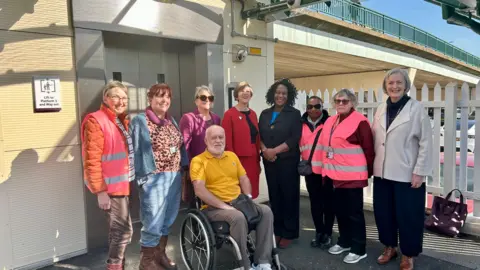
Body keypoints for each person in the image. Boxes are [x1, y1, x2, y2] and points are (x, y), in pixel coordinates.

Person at [372, 68, 433, 270]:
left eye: (399, 82)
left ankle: (408, 253)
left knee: (409, 216)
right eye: (390, 83)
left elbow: (426, 142)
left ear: (406, 85)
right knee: (384, 213)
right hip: (382, 172)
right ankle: (390, 247)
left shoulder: (416, 108)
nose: (394, 86)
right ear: (385, 86)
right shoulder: (380, 108)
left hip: (407, 173)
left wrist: (419, 172)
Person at [190, 125, 274, 270]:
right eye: (213, 138)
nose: (218, 141)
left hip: (238, 202)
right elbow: (199, 189)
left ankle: (262, 262)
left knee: (266, 211)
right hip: (213, 207)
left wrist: (247, 198)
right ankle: (243, 265)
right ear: (206, 140)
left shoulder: (232, 156)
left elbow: (244, 179)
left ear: (225, 139)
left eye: (221, 137)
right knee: (237, 217)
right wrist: (224, 206)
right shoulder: (198, 161)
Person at [130, 83, 189, 270]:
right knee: (153, 221)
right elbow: (136, 151)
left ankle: (159, 256)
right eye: (159, 96)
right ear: (150, 99)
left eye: (167, 97)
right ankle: (146, 263)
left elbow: (180, 147)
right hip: (154, 178)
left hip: (173, 177)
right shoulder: (140, 120)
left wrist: (184, 169)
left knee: (167, 220)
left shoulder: (172, 121)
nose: (164, 100)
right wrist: (143, 178)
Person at [81, 81, 134, 270]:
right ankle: (114, 266)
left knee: (118, 232)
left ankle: (119, 265)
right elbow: (91, 159)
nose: (121, 101)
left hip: (122, 186)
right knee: (123, 233)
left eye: (124, 98)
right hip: (110, 189)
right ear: (105, 98)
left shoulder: (120, 120)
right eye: (116, 96)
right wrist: (100, 191)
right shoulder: (96, 120)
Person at [319, 88, 374, 264]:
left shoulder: (360, 121)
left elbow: (369, 150)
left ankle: (359, 248)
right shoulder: (331, 120)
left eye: (345, 101)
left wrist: (368, 172)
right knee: (340, 212)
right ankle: (344, 241)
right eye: (338, 101)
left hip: (352, 176)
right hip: (333, 175)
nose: (340, 104)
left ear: (352, 103)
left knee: (354, 214)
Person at [258, 78, 302, 249]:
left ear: (288, 95)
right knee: (275, 196)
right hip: (269, 162)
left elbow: (294, 138)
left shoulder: (294, 113)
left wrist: (274, 151)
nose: (280, 96)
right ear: (272, 94)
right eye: (277, 92)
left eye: (284, 93)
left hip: (287, 162)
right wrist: (265, 150)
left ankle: (289, 232)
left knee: (289, 196)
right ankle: (277, 230)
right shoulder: (265, 113)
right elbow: (259, 136)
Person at [299, 96, 334, 248]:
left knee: (329, 204)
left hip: (327, 171)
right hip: (311, 171)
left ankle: (328, 233)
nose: (313, 109)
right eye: (310, 106)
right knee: (315, 203)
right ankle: (319, 231)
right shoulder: (300, 124)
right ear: (306, 108)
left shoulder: (331, 122)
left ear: (322, 107)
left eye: (317, 106)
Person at [180, 85, 221, 205]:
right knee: (197, 202)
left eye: (210, 97)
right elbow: (185, 145)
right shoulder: (188, 118)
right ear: (196, 100)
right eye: (203, 97)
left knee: (214, 200)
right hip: (197, 168)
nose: (207, 100)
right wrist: (187, 168)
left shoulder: (216, 119)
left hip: (214, 166)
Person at [222, 81, 261, 199]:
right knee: (239, 193)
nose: (245, 94)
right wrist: (232, 162)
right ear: (236, 95)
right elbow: (227, 141)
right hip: (238, 160)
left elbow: (257, 137)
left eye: (248, 91)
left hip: (253, 159)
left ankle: (250, 215)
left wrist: (258, 160)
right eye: (242, 91)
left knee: (251, 192)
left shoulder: (253, 114)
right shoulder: (229, 114)